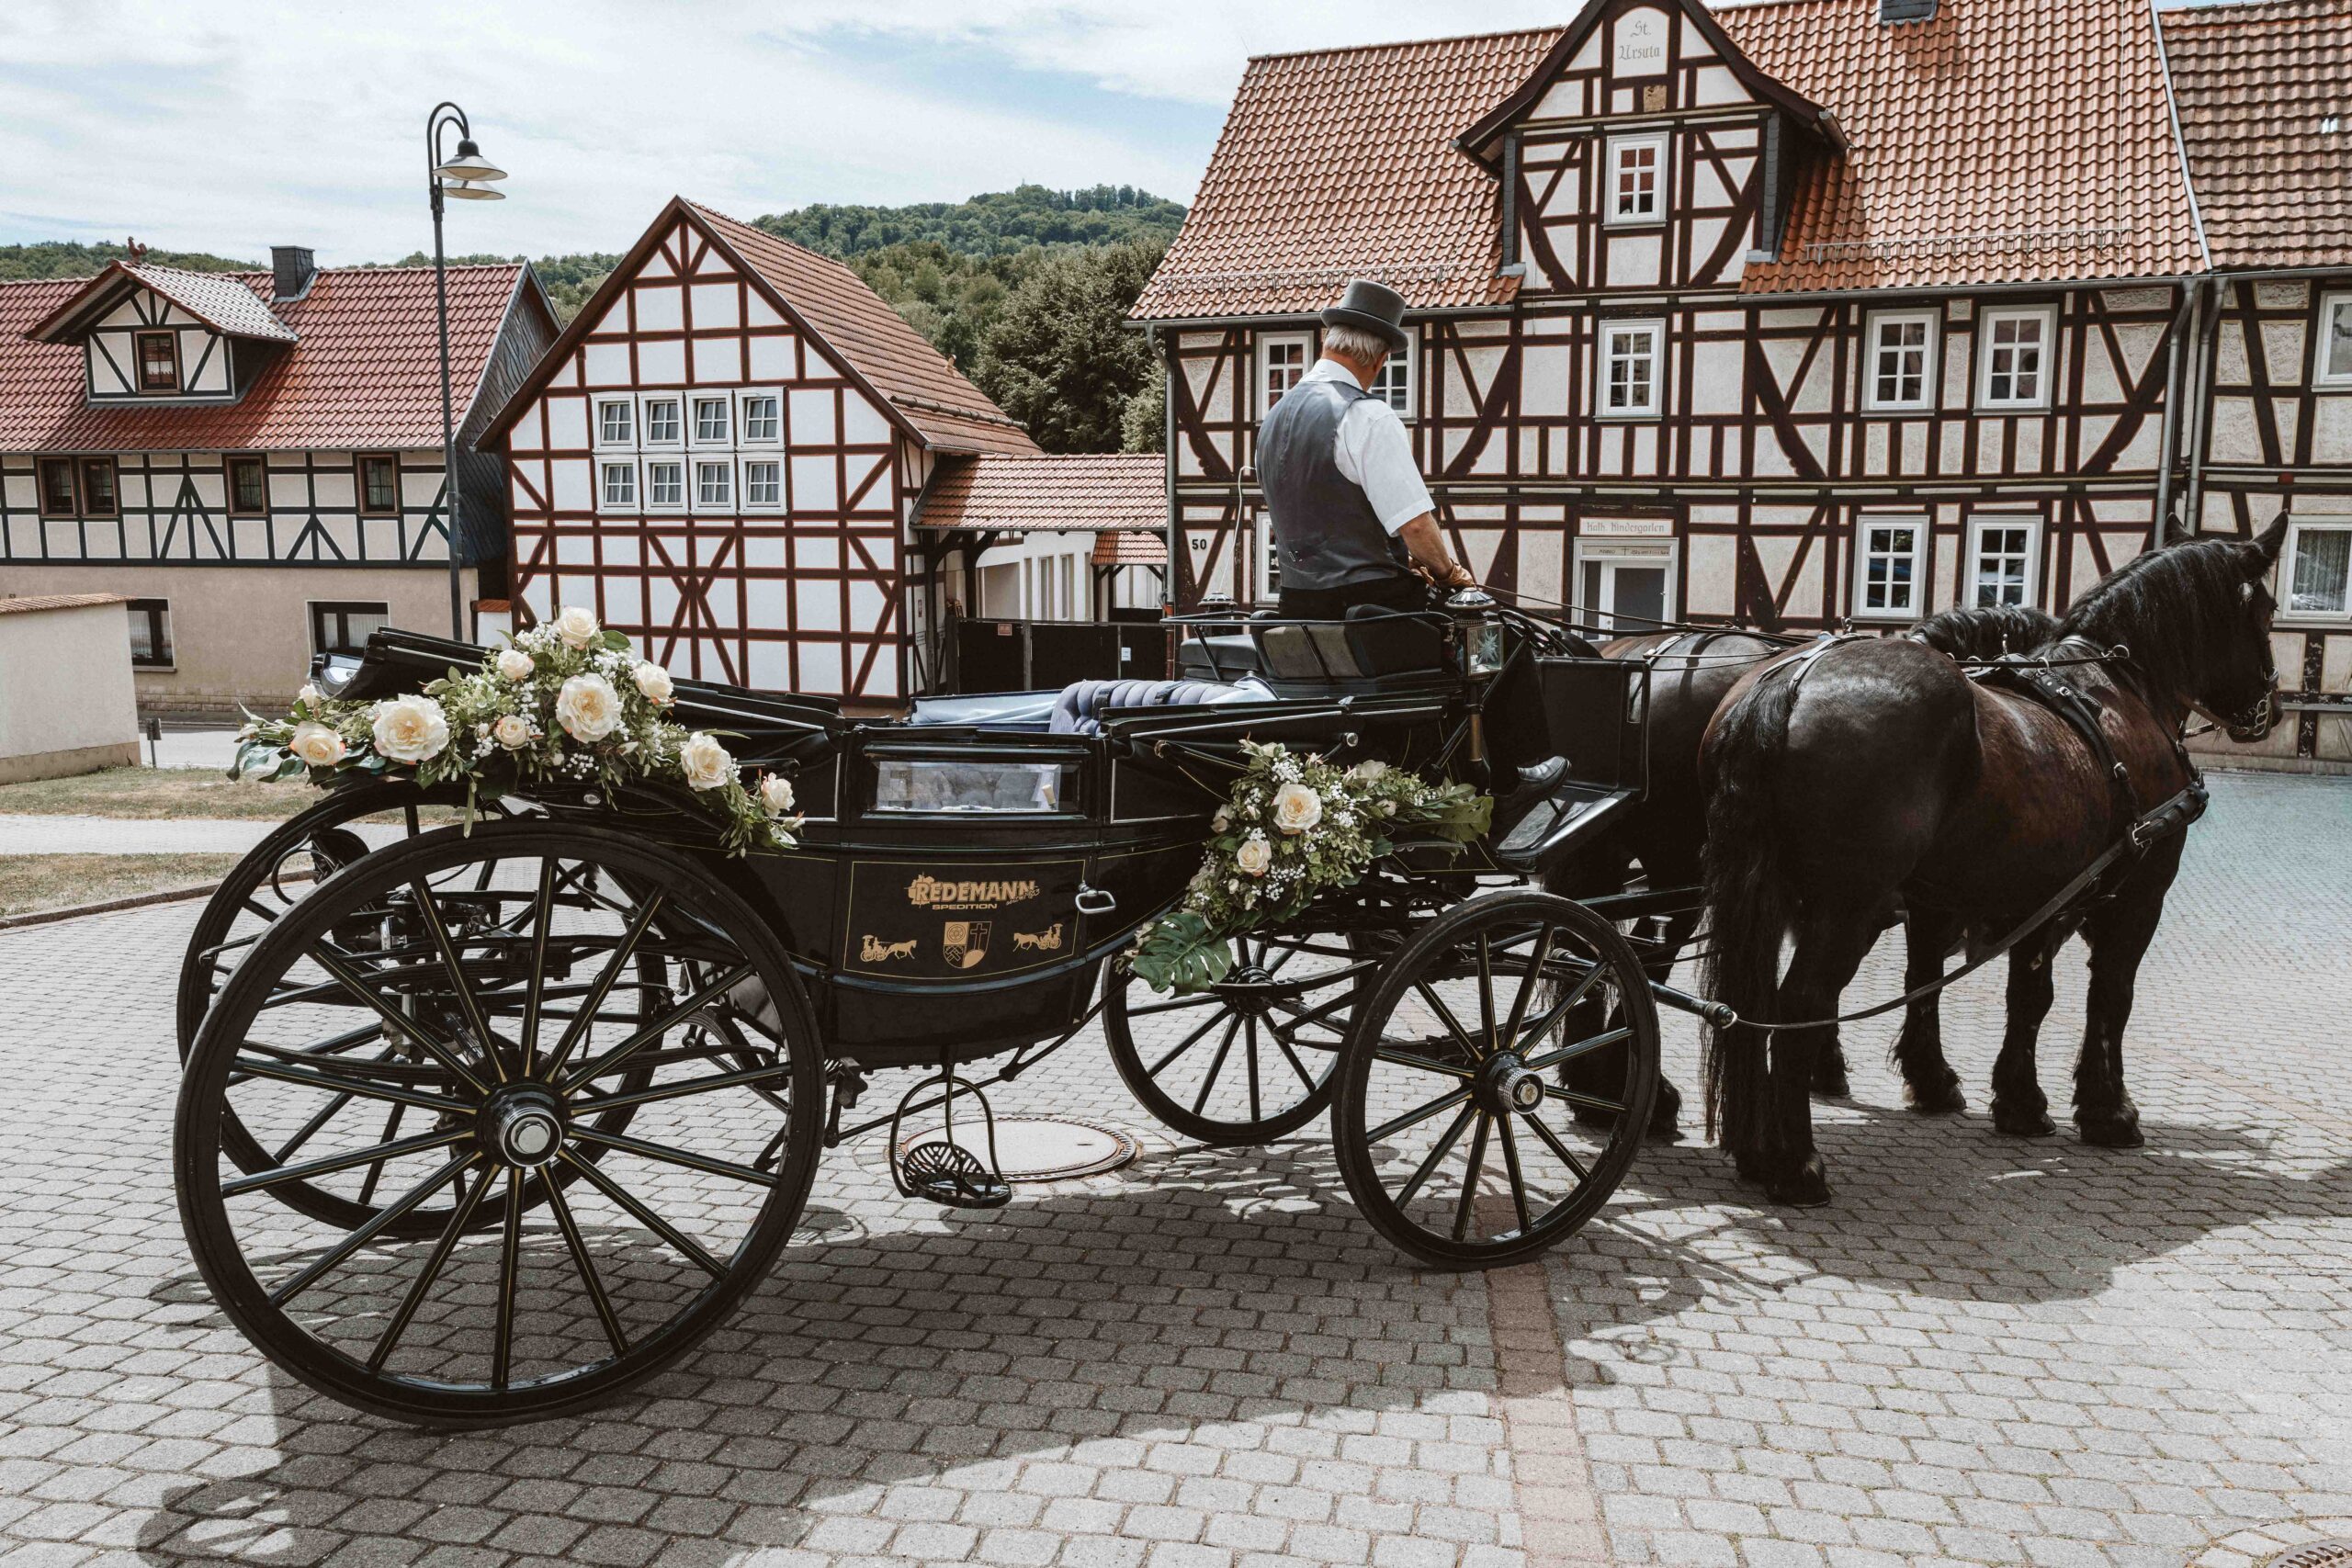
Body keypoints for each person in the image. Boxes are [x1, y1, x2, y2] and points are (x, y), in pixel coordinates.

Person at [1255, 278, 1476, 619]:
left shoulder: (1273, 418)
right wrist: (1449, 573)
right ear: (1380, 360)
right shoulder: (1368, 415)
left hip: (1297, 604)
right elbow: (1415, 526)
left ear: (1327, 341)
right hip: (1370, 611)